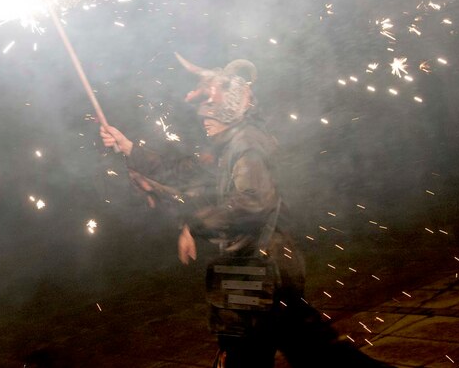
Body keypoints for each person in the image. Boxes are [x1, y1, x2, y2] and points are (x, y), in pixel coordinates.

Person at [101, 53, 389, 367]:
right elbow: (185, 173)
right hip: (261, 271)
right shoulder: (229, 144)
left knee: (270, 355)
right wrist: (130, 148)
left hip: (260, 272)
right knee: (321, 354)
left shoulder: (247, 145)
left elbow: (252, 202)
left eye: (210, 112)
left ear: (229, 111)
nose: (204, 119)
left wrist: (195, 224)